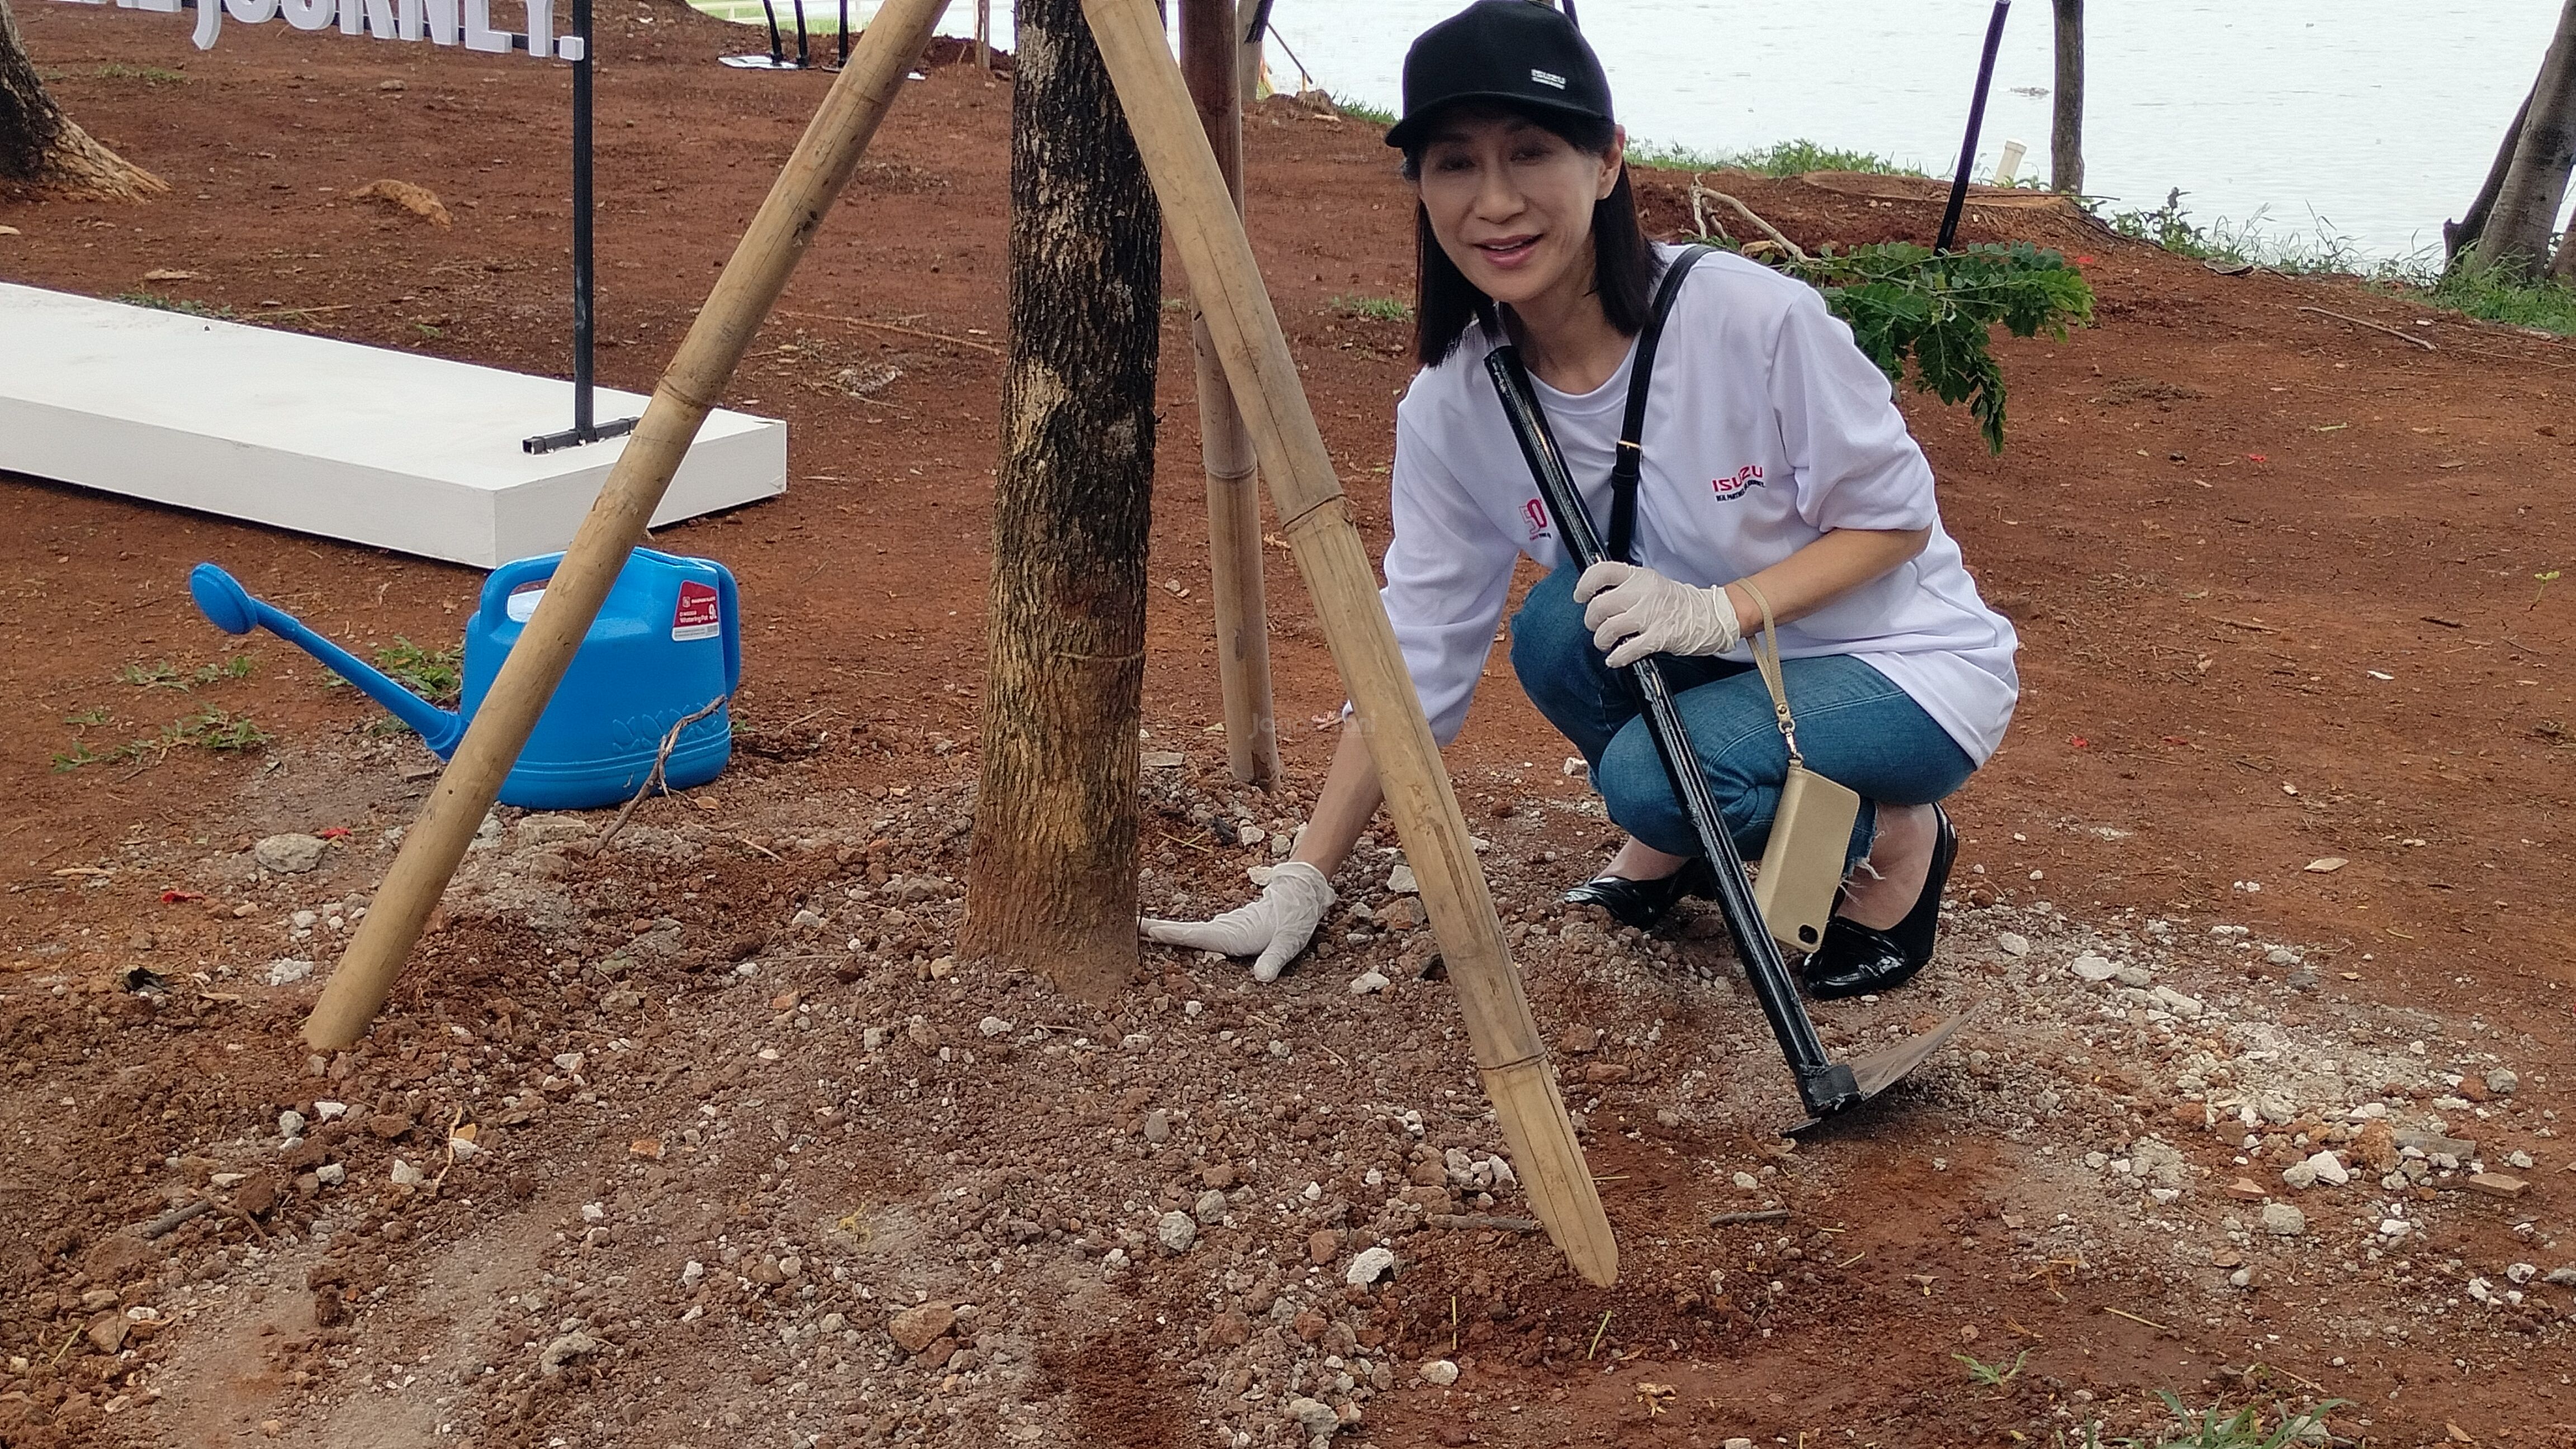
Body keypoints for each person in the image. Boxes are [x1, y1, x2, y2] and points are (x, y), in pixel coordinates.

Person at [1144, 0, 2018, 999]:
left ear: (1607, 163)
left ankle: (1895, 836)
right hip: (1721, 668)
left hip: (1894, 669)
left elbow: (1896, 520)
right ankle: (1685, 832)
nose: (1496, 202)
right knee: (1558, 630)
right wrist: (1308, 874)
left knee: (1650, 776)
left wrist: (1716, 608)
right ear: (1421, 188)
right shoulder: (1454, 403)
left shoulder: (1750, 321)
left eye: (1531, 152)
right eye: (1455, 163)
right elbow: (1419, 643)